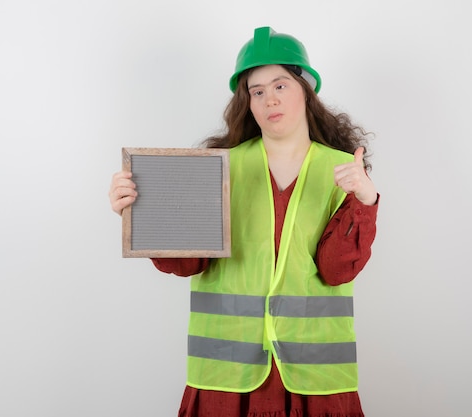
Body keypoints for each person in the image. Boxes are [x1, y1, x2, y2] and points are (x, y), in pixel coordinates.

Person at [108, 26, 378, 417]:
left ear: (306, 91)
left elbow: (336, 271)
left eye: (281, 85)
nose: (270, 99)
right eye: (257, 91)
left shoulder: (343, 170)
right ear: (247, 102)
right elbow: (187, 262)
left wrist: (365, 200)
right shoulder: (219, 169)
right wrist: (138, 208)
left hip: (315, 378)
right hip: (226, 377)